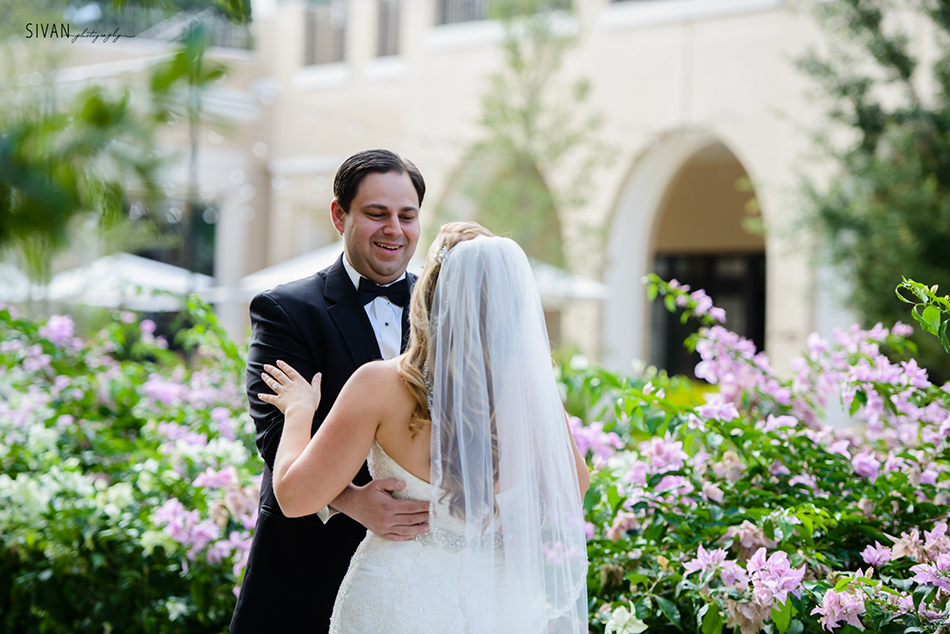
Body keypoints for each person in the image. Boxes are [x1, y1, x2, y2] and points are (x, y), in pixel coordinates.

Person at [260, 221, 591, 633]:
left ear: (428, 293)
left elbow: (293, 497)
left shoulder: (378, 385)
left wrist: (298, 411)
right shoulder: (530, 394)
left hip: (397, 602)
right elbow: (571, 490)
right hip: (499, 603)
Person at [230, 149, 432, 634]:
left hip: (420, 574)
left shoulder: (446, 306)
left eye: (407, 216)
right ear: (340, 215)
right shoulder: (286, 309)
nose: (394, 230)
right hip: (307, 567)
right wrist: (349, 499)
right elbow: (276, 433)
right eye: (376, 213)